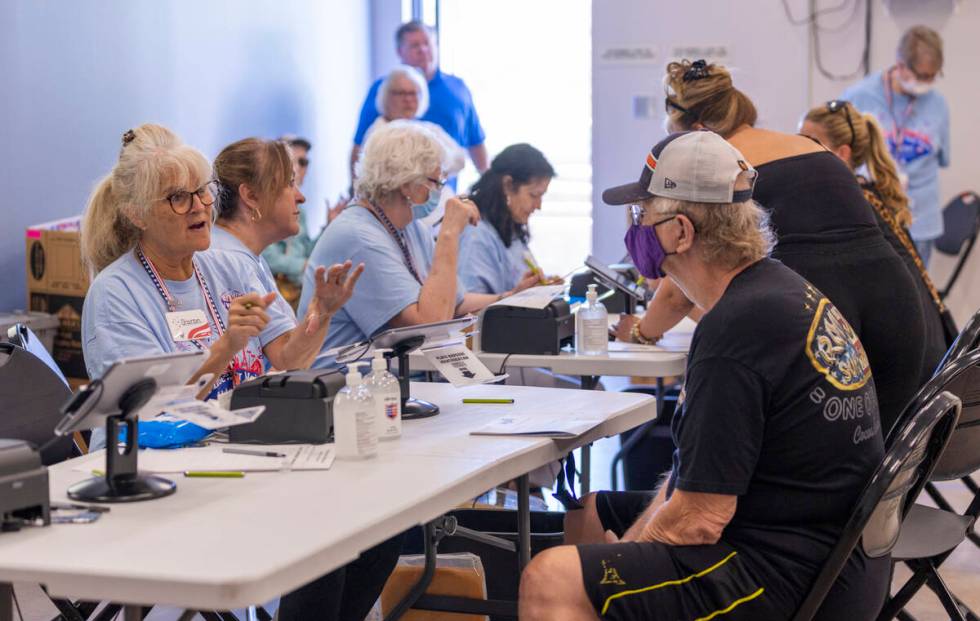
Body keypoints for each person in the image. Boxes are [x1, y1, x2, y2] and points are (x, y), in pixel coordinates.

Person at [520, 130, 889, 621]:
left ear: (680, 232)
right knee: (586, 514)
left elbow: (698, 520)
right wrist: (625, 556)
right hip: (835, 557)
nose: (636, 229)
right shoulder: (774, 290)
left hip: (791, 579)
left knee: (550, 578)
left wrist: (628, 557)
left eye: (642, 215)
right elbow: (697, 472)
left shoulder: (736, 329)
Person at [617, 59, 926, 434]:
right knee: (879, 471)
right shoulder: (808, 146)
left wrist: (640, 334)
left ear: (697, 134)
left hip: (823, 313)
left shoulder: (722, 166)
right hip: (898, 310)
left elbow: (677, 291)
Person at [210, 136, 400, 621]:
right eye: (289, 184)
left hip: (251, 428)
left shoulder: (244, 260)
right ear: (250, 196)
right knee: (347, 534)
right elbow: (282, 363)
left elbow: (287, 358)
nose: (300, 196)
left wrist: (323, 310)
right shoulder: (228, 259)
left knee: (377, 529)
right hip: (230, 440)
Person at [80, 124, 359, 446]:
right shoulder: (116, 293)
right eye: (178, 198)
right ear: (137, 215)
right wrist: (227, 347)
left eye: (202, 190)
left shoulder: (231, 266)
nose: (199, 205)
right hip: (145, 464)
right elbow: (149, 412)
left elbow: (290, 361)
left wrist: (321, 313)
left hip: (232, 448)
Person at [300, 121, 520, 364]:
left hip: (393, 383)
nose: (439, 191)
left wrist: (511, 298)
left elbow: (455, 303)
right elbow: (428, 326)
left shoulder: (410, 227)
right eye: (436, 182)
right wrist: (449, 234)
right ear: (407, 183)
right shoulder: (359, 237)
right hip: (344, 390)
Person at [802, 99, 958, 374]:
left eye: (810, 142)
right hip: (929, 358)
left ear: (842, 153)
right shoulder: (869, 195)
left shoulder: (848, 208)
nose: (798, 151)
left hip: (913, 368)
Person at [842, 25, 950, 266]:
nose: (927, 83)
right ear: (900, 66)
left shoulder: (938, 105)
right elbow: (839, 155)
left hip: (922, 221)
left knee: (921, 299)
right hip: (874, 219)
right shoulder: (858, 97)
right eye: (922, 76)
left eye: (933, 76)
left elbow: (943, 157)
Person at [350, 20, 487, 190]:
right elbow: (360, 149)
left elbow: (474, 144)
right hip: (394, 198)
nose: (423, 50)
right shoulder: (382, 89)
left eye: (427, 44)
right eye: (415, 45)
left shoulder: (457, 90)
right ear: (400, 51)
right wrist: (356, 193)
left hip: (442, 195)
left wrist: (488, 189)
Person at [458, 143, 556, 295]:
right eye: (534, 195)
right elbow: (468, 311)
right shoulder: (475, 235)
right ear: (508, 185)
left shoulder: (509, 228)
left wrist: (544, 288)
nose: (538, 206)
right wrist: (517, 295)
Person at [259, 136, 322, 307]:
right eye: (298, 161)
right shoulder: (265, 205)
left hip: (297, 290)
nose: (302, 168)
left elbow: (306, 249)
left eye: (305, 162)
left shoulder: (301, 210)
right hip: (271, 291)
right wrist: (303, 265)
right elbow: (266, 257)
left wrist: (328, 226)